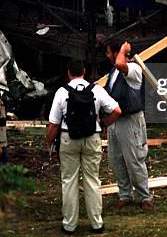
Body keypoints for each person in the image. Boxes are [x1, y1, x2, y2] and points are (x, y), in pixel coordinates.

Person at [46, 60, 121, 235]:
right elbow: (117, 110)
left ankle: (69, 225)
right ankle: (96, 223)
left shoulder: (61, 92)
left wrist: (48, 142)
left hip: (68, 138)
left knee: (69, 180)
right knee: (92, 180)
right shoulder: (96, 90)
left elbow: (53, 124)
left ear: (68, 73)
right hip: (92, 138)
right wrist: (103, 124)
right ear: (84, 72)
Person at [104, 39, 153, 212]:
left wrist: (123, 49)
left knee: (134, 160)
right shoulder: (114, 71)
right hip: (116, 120)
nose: (107, 55)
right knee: (116, 160)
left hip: (130, 121)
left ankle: (145, 196)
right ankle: (125, 195)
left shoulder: (133, 69)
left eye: (109, 52)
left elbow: (120, 63)